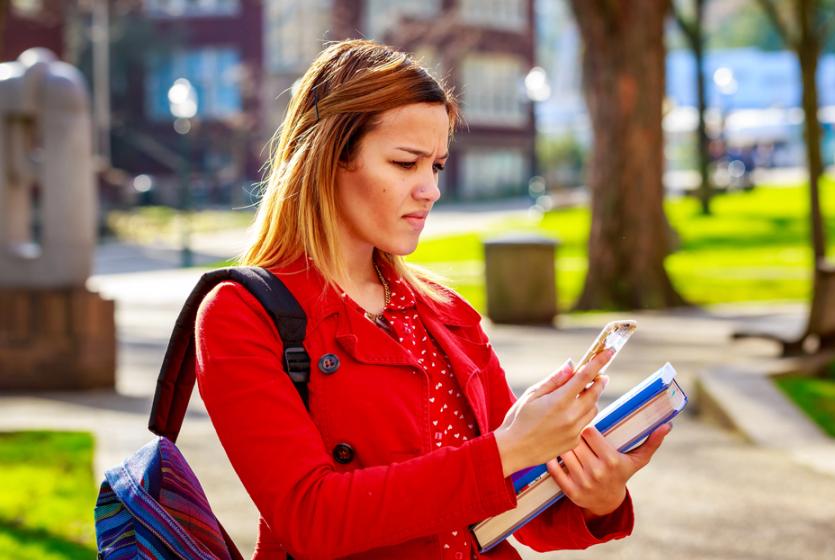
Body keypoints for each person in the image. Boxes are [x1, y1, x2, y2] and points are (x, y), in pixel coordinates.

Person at [195, 39, 670, 560]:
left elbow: (509, 510)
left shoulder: (443, 309)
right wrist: (509, 449)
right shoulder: (242, 314)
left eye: (437, 167)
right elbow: (313, 519)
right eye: (405, 164)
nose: (430, 190)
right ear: (329, 158)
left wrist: (596, 494)